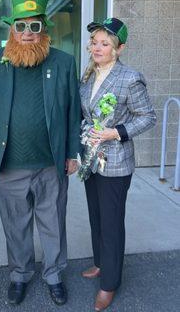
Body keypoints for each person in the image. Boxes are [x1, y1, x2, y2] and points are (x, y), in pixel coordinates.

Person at [0, 0, 80, 306]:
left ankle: (53, 274)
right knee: (15, 225)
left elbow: (73, 111)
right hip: (9, 163)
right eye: (20, 25)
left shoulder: (63, 63)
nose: (27, 32)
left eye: (34, 25)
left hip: (51, 162)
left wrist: (73, 152)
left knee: (53, 223)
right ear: (11, 29)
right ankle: (20, 274)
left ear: (44, 29)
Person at [79, 18, 156, 311]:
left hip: (115, 162)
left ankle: (109, 284)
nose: (97, 47)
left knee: (111, 224)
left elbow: (147, 117)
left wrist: (116, 132)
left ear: (119, 48)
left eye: (105, 43)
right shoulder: (88, 75)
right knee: (96, 216)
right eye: (95, 42)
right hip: (91, 160)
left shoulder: (129, 77)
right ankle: (101, 263)